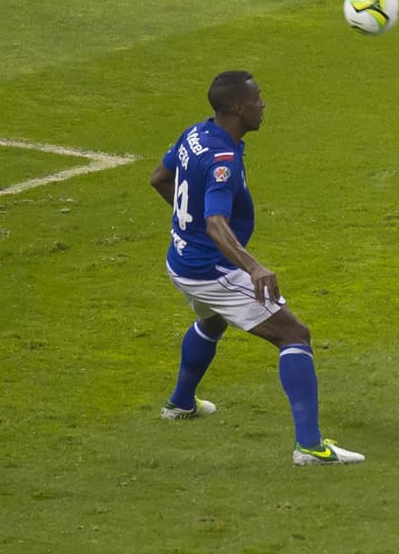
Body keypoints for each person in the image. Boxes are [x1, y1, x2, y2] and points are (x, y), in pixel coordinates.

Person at [150, 70, 364, 466]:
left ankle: (180, 403)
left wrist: (189, 227)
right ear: (237, 107)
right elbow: (216, 224)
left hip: (181, 261)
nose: (263, 104)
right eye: (256, 98)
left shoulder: (195, 133)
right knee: (294, 334)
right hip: (211, 271)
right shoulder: (223, 160)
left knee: (213, 321)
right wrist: (253, 267)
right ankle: (310, 447)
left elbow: (159, 178)